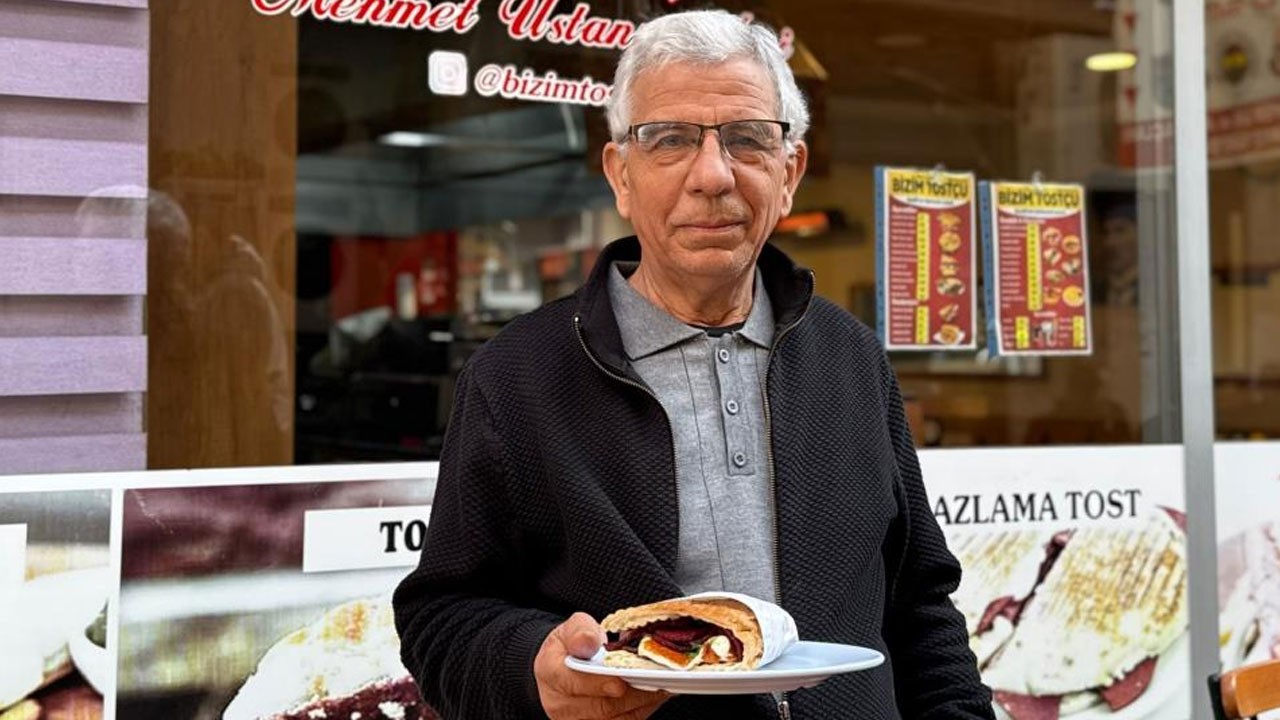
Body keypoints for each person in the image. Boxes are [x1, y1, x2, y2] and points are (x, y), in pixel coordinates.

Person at [394, 10, 993, 720]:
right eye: (670, 139)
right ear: (620, 173)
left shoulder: (850, 358)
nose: (713, 175)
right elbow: (441, 618)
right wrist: (533, 668)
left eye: (747, 139)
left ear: (790, 170)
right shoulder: (518, 377)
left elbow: (919, 606)